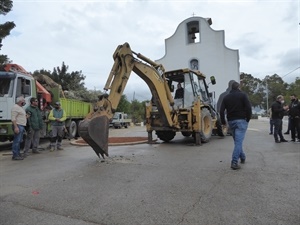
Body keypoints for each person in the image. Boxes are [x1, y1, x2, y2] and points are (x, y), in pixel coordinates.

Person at [220, 81, 252, 170]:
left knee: (237, 142)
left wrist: (223, 122)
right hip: (241, 121)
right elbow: (249, 107)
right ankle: (234, 162)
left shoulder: (226, 97)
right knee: (238, 142)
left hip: (231, 121)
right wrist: (248, 119)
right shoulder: (243, 95)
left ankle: (242, 157)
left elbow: (221, 111)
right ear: (238, 87)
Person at [11, 96, 27, 160]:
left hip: (21, 125)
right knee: (16, 141)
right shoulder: (15, 108)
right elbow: (13, 118)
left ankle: (18, 153)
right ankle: (15, 155)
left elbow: (20, 116)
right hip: (18, 126)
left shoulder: (20, 108)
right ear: (20, 101)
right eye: (23, 101)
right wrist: (16, 127)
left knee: (19, 141)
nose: (24, 102)